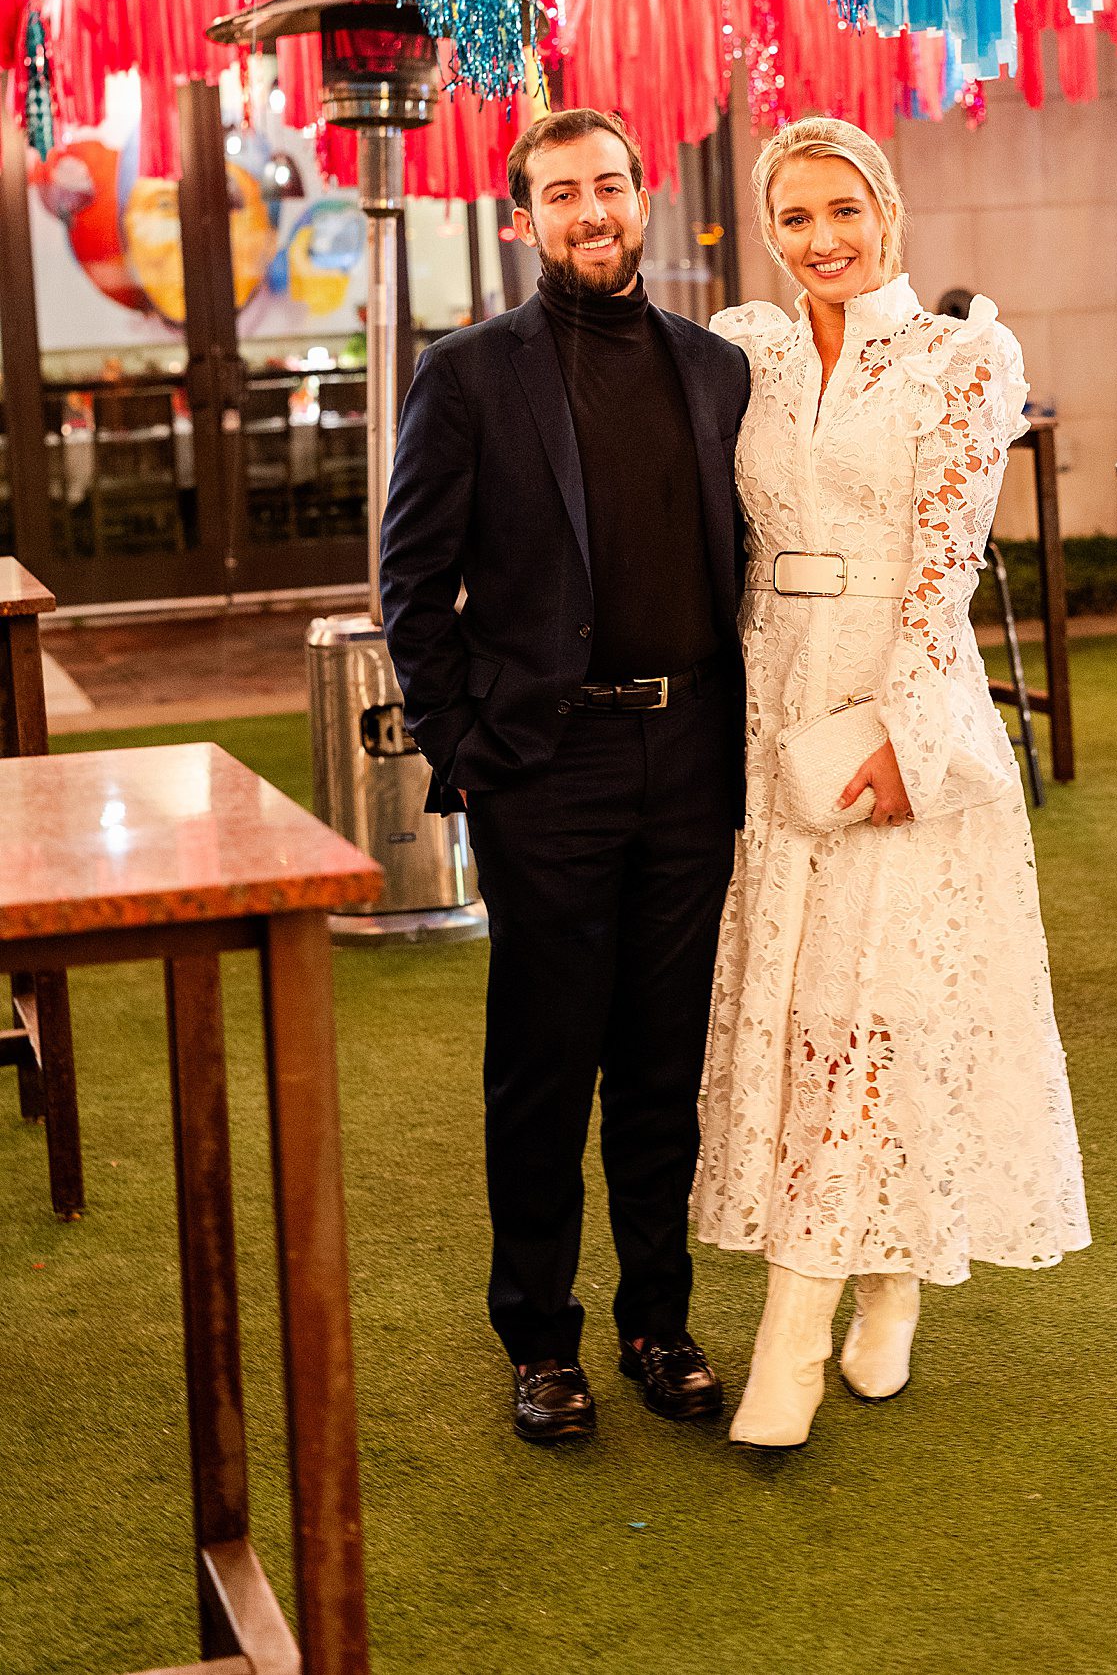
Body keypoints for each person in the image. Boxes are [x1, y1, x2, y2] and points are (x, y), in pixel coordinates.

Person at [695, 116, 1089, 1449]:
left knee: (872, 1000)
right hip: (769, 698)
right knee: (802, 998)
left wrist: (904, 736)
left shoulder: (964, 356)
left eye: (843, 209)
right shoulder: (742, 346)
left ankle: (792, 1341)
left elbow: (947, 569)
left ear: (890, 208)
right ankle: (887, 1281)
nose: (822, 240)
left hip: (892, 696)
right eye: (794, 216)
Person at [379, 107, 750, 1446]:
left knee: (663, 1062)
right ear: (522, 217)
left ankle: (660, 1318)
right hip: (549, 762)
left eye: (610, 185)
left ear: (642, 197)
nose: (592, 210)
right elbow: (412, 580)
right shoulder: (471, 372)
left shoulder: (715, 368)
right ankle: (540, 1338)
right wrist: (466, 750)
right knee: (544, 1062)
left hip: (697, 753)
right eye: (562, 193)